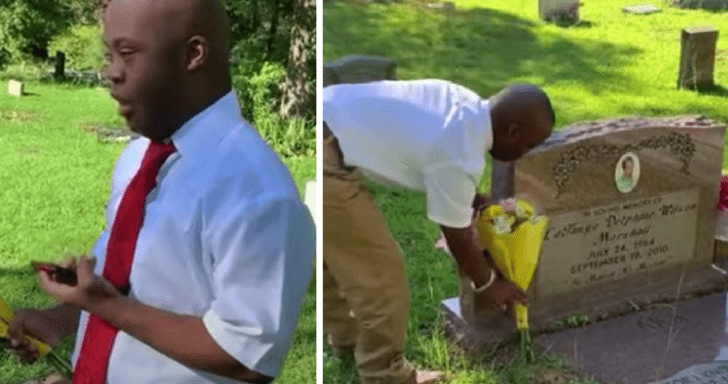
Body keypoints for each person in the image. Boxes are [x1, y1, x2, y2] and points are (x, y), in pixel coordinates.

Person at [7, 0, 315, 383]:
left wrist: (106, 304)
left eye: (129, 54)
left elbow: (247, 358)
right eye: (109, 55)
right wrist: (61, 317)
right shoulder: (139, 156)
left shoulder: (255, 192)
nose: (112, 74)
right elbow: (129, 287)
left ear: (193, 54)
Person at [323, 79, 555, 384]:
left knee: (339, 255)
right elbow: (458, 235)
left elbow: (431, 152)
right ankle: (386, 375)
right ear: (512, 132)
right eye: (529, 145)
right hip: (329, 160)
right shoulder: (461, 152)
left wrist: (470, 198)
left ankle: (347, 339)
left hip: (326, 120)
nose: (525, 154)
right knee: (382, 274)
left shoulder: (463, 103)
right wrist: (487, 285)